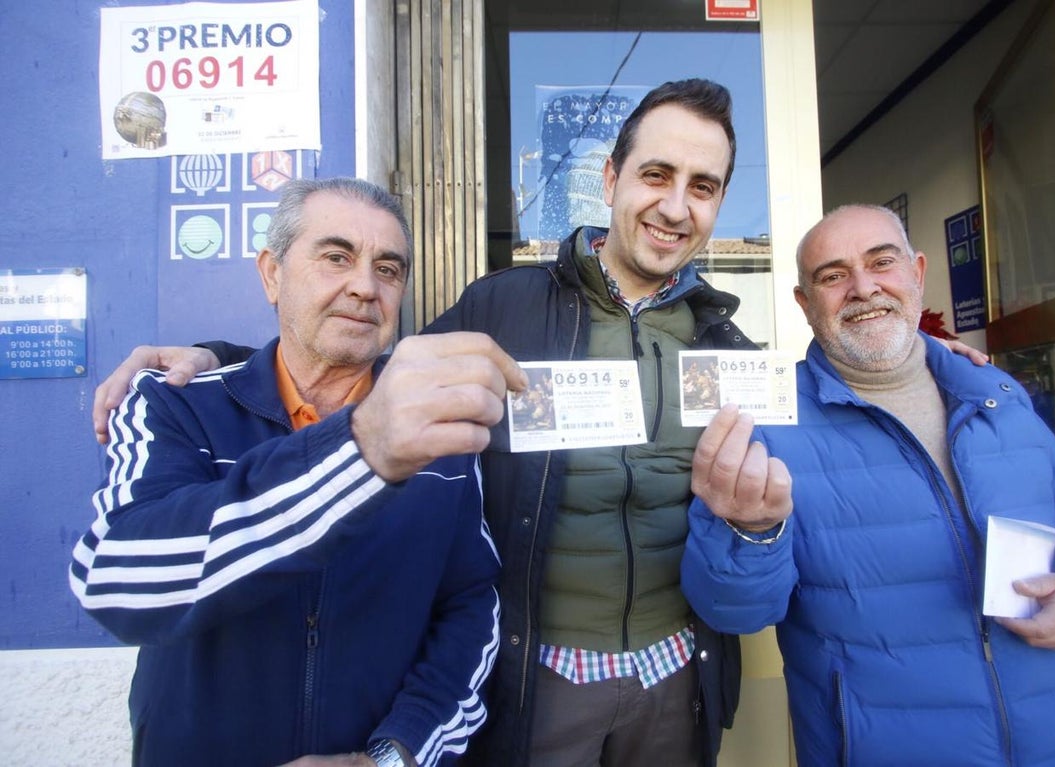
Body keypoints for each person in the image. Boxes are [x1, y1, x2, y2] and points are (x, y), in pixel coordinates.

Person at [90, 79, 754, 767]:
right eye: (656, 174)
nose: (675, 205)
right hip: (546, 684)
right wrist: (220, 365)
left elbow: (763, 539)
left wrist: (758, 529)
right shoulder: (506, 307)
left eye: (702, 186)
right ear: (611, 178)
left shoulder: (730, 348)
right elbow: (359, 362)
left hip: (676, 679)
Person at [70, 177, 527, 767]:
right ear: (272, 273)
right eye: (336, 257)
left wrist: (396, 754)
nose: (364, 286)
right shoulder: (174, 404)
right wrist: (362, 450)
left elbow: (469, 606)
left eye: (388, 269)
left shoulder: (442, 433)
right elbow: (117, 579)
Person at [680, 204, 1055, 766]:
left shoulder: (996, 395)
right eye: (833, 276)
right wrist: (750, 528)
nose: (863, 288)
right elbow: (734, 612)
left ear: (917, 273)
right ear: (806, 304)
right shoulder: (767, 425)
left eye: (882, 263)